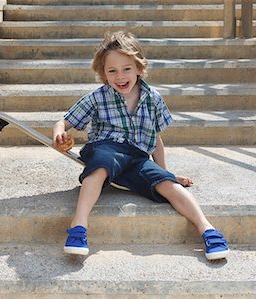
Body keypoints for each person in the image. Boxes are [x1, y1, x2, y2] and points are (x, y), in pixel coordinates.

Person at [52, 31, 229, 260]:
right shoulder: (98, 97)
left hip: (137, 157)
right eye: (112, 70)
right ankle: (79, 227)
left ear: (139, 68)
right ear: (103, 73)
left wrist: (168, 173)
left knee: (168, 185)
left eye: (126, 68)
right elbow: (63, 122)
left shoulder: (152, 98)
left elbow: (155, 139)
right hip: (105, 147)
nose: (120, 76)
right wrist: (59, 135)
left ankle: (208, 229)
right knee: (102, 163)